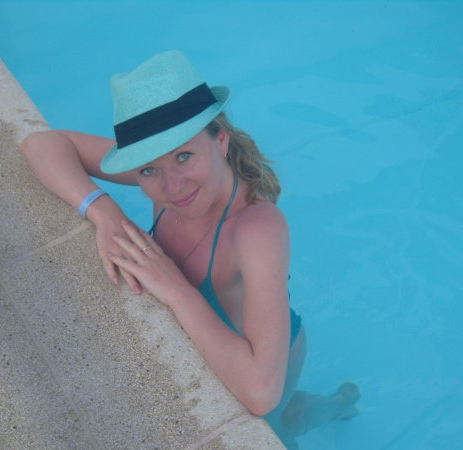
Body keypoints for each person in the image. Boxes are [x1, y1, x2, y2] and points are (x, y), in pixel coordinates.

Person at [20, 50, 359, 447]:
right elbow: (42, 144)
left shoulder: (256, 229)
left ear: (220, 140)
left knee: (276, 428)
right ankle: (336, 402)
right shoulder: (163, 169)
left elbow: (260, 391)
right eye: (148, 169)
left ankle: (338, 405)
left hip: (266, 354)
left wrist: (176, 289)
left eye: (184, 156)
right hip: (214, 332)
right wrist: (104, 212)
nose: (172, 187)